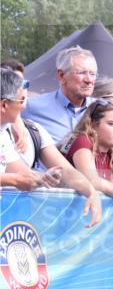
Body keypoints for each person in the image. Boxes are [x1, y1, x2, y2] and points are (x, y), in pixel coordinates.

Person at [0, 67, 102, 226]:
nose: (24, 107)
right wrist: (13, 180)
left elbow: (23, 173)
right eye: (21, 100)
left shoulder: (3, 132)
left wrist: (43, 178)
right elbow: (17, 177)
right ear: (4, 105)